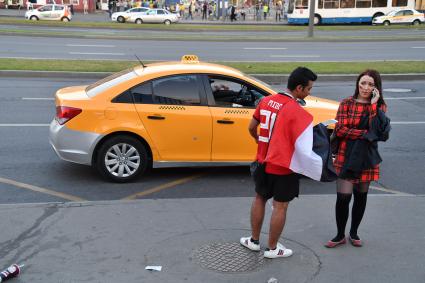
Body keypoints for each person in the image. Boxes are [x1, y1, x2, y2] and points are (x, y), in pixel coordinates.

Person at [240, 67, 318, 259]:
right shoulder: (296, 111)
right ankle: (273, 249)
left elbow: (251, 127)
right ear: (299, 88)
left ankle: (254, 241)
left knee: (260, 198)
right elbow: (303, 146)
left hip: (262, 162)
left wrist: (259, 141)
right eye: (308, 89)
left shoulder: (266, 101)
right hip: (283, 166)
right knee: (280, 206)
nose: (309, 92)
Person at [325, 69, 388, 248]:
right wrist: (364, 134)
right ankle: (339, 235)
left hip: (366, 158)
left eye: (370, 84)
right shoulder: (346, 103)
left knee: (361, 196)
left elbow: (376, 131)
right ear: (357, 84)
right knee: (343, 197)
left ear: (376, 88)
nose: (365, 88)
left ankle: (354, 233)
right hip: (347, 155)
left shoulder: (380, 106)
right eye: (363, 83)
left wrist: (374, 106)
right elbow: (340, 129)